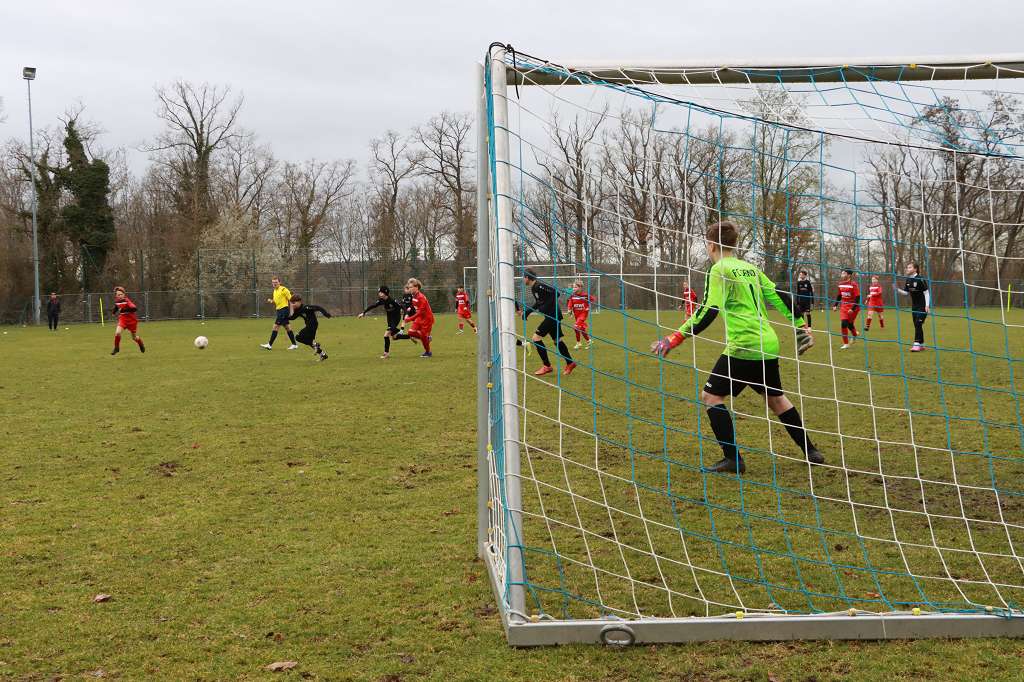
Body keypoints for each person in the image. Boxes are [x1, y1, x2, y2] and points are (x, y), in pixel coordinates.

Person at [651, 221, 822, 474]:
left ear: (711, 245)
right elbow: (779, 294)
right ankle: (811, 451)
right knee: (776, 399)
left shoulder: (719, 269)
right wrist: (800, 325)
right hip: (767, 343)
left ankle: (733, 459)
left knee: (710, 397)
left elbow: (709, 310)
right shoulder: (751, 268)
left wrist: (675, 338)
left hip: (743, 345)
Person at [522, 270, 576, 376]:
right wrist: (528, 312)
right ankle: (570, 363)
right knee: (557, 340)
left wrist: (546, 306)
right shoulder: (534, 288)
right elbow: (539, 302)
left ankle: (547, 366)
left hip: (553, 316)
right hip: (551, 316)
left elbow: (556, 293)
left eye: (524, 277)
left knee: (536, 338)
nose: (523, 280)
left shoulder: (539, 286)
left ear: (527, 277)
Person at [359, 286, 405, 359]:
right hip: (389, 319)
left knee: (386, 335)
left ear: (385, 293)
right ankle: (410, 336)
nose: (379, 293)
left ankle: (386, 354)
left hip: (395, 318)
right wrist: (364, 313)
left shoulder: (392, 300)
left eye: (381, 292)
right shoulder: (382, 300)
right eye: (379, 292)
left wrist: (405, 313)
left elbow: (402, 306)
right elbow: (373, 306)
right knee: (394, 336)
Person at [894, 261, 930, 352]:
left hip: (922, 306)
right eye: (907, 267)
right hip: (914, 307)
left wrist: (927, 305)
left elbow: (926, 293)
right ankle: (922, 344)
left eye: (910, 267)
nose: (907, 269)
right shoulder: (908, 280)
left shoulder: (920, 279)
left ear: (915, 269)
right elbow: (906, 293)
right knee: (917, 325)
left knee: (918, 323)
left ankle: (916, 344)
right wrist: (897, 290)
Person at [260, 276, 298, 351]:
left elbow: (291, 300)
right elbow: (276, 301)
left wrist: (292, 311)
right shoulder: (275, 291)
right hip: (279, 311)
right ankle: (294, 344)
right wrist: (271, 301)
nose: (274, 284)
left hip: (284, 311)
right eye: (273, 282)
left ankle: (269, 345)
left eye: (276, 282)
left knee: (276, 326)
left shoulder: (284, 289)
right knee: (287, 327)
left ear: (279, 282)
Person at [288, 294, 331, 361]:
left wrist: (325, 313)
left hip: (312, 325)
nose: (293, 305)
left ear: (299, 302)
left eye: (294, 303)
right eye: (292, 303)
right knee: (310, 342)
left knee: (298, 337)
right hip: (309, 326)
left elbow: (318, 307)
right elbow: (292, 318)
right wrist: (284, 316)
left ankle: (316, 345)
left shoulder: (306, 307)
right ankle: (323, 355)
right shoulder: (297, 310)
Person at [402, 278, 435, 358]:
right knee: (410, 332)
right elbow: (416, 308)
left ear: (416, 287)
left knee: (423, 336)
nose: (409, 289)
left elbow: (421, 312)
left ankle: (428, 352)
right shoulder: (413, 296)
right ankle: (426, 338)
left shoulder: (421, 297)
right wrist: (409, 310)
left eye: (411, 287)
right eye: (409, 287)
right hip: (419, 318)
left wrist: (410, 319)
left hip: (427, 319)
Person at [110, 286, 145, 356]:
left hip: (132, 321)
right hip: (123, 319)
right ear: (116, 296)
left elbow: (134, 308)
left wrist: (123, 310)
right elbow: (117, 306)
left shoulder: (127, 301)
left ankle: (140, 344)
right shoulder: (117, 301)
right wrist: (113, 312)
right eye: (118, 295)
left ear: (124, 294)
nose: (119, 296)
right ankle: (116, 348)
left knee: (134, 337)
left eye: (121, 294)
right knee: (117, 333)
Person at [832, 269, 861, 349]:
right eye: (842, 273)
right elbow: (839, 295)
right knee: (844, 323)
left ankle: (854, 334)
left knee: (849, 324)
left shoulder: (853, 284)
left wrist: (853, 309)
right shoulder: (840, 284)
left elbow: (857, 297)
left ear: (849, 275)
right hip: (844, 306)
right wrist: (835, 305)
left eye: (844, 273)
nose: (842, 275)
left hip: (853, 307)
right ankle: (846, 343)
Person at [566, 279, 595, 350]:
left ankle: (578, 343)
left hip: (583, 314)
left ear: (580, 287)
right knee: (581, 328)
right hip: (576, 314)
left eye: (575, 287)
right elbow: (570, 303)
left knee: (576, 327)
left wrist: (587, 306)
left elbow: (592, 299)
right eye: (573, 287)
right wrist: (569, 309)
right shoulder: (572, 295)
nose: (573, 288)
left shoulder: (585, 295)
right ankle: (589, 341)